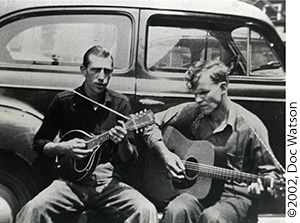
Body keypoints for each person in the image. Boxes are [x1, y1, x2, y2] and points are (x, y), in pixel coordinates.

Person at [16, 45, 158, 223]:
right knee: (32, 210)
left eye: (107, 71)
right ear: (83, 70)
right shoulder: (64, 101)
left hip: (107, 181)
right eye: (96, 70)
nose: (102, 77)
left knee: (147, 210)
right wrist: (63, 147)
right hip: (69, 183)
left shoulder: (120, 104)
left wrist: (123, 143)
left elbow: (129, 158)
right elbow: (39, 143)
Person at [143, 60, 284, 223]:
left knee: (213, 218)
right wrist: (164, 153)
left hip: (234, 197)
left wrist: (261, 187)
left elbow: (272, 174)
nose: (197, 99)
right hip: (199, 192)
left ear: (223, 87)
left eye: (203, 92)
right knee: (176, 210)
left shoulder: (251, 126)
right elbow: (148, 121)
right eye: (195, 94)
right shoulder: (194, 113)